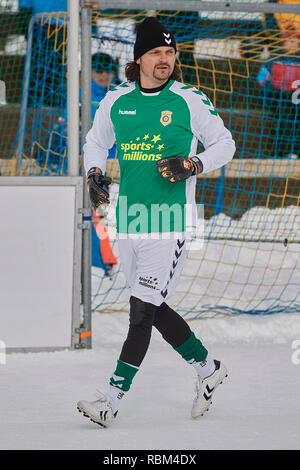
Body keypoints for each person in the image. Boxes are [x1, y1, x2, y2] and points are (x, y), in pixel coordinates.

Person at [77, 17, 235, 428]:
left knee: (141, 313)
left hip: (170, 221)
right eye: (156, 53)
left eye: (169, 52)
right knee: (153, 307)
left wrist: (194, 163)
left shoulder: (189, 100)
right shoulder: (116, 101)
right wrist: (94, 172)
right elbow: (96, 140)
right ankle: (207, 368)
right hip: (128, 219)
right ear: (139, 58)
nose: (164, 59)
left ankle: (109, 400)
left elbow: (225, 143)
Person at [45, 52, 119, 174]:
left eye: (109, 71)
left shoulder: (119, 95)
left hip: (111, 152)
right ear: (89, 71)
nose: (104, 75)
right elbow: (65, 123)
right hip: (82, 147)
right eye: (99, 70)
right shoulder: (79, 93)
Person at [257, 29, 300, 158]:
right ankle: (284, 151)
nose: (292, 45)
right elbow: (261, 78)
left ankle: (296, 151)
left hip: (295, 96)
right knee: (284, 115)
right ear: (283, 43)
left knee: (296, 115)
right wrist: (271, 90)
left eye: (296, 42)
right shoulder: (274, 59)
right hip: (277, 96)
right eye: (290, 42)